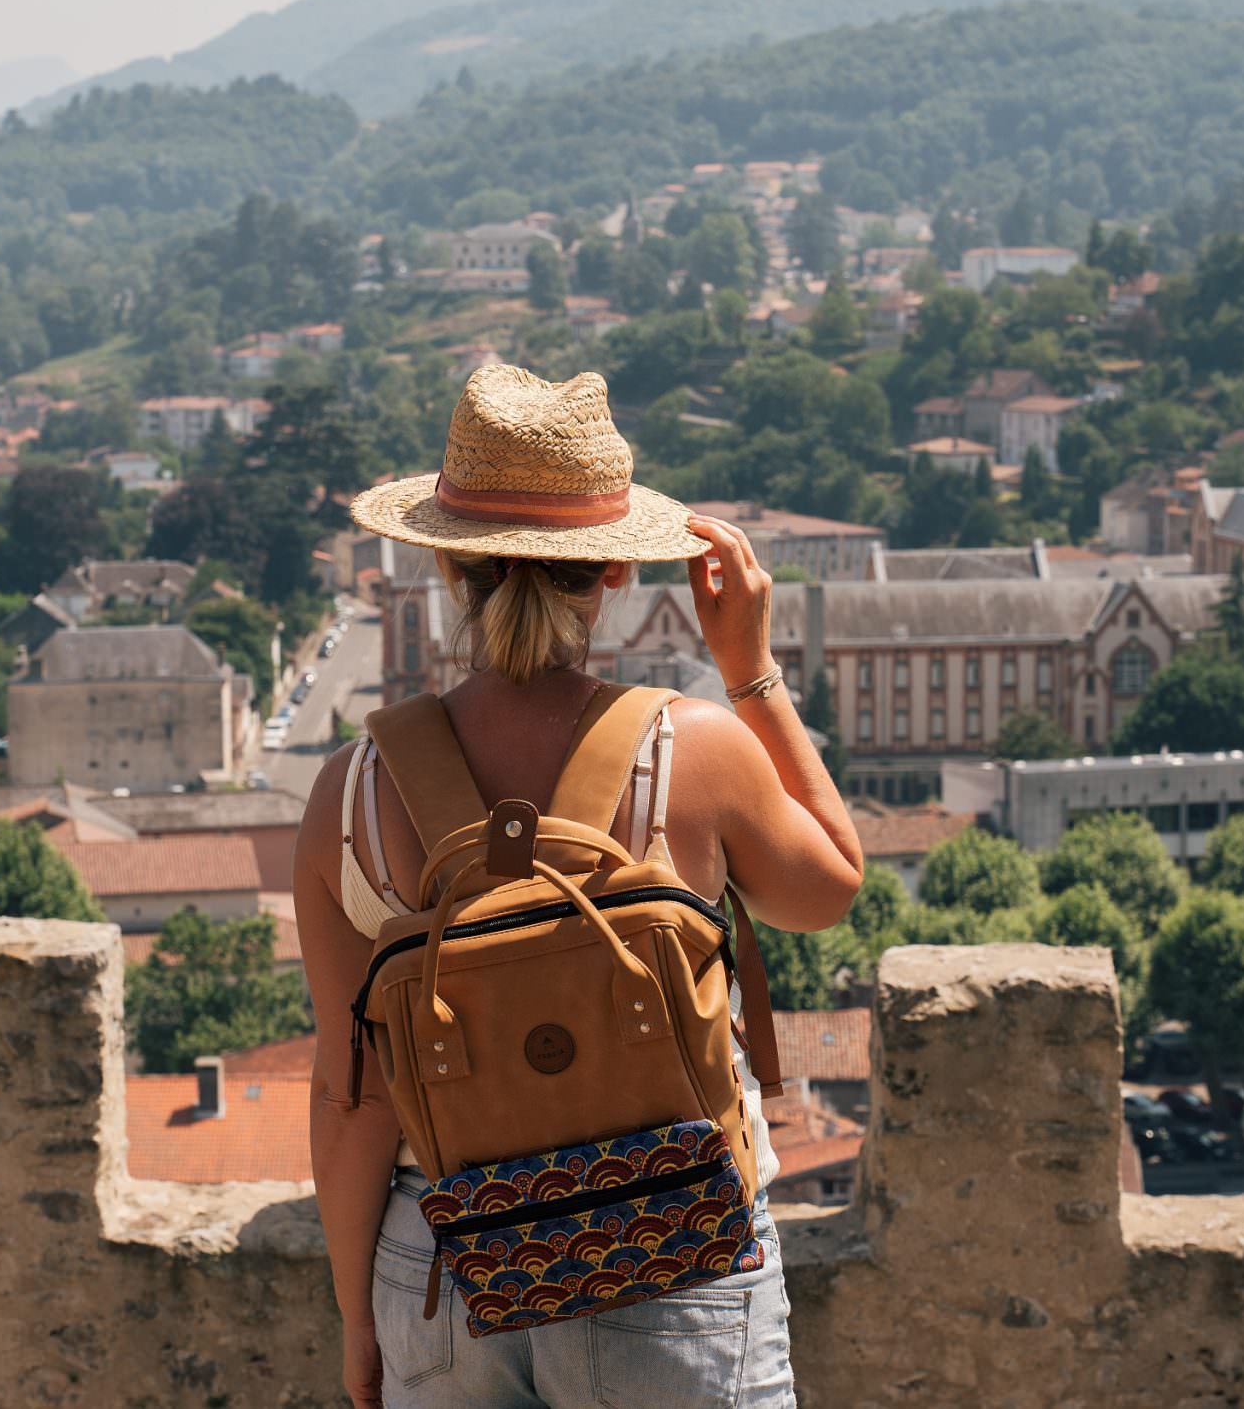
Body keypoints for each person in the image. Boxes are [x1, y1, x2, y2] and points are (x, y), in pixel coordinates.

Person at [295, 366, 866, 1408]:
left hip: (444, 1264)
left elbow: (352, 1096)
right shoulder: (692, 749)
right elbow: (828, 888)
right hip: (672, 1252)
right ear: (612, 570)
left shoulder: (349, 793)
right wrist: (749, 671)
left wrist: (357, 1320)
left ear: (445, 563)